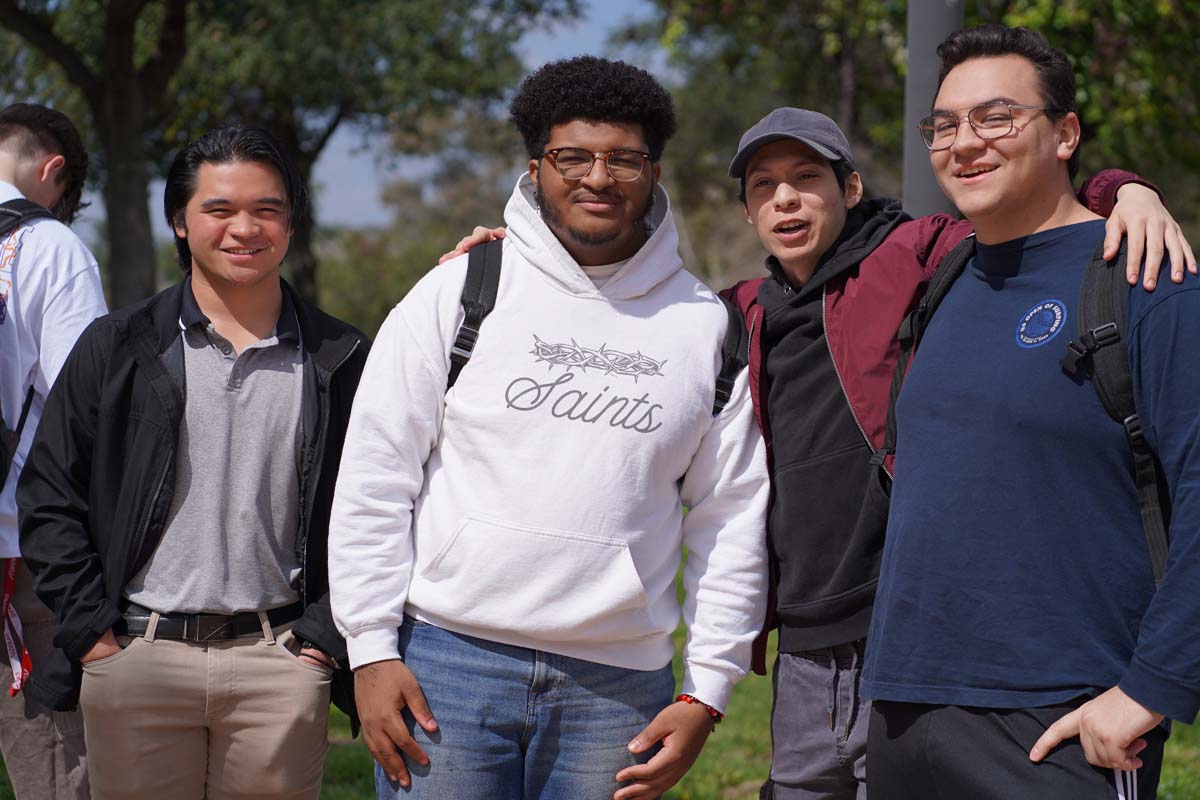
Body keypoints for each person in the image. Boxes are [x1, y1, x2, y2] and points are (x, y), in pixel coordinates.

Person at [444, 108, 1190, 799]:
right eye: (764, 188)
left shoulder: (916, 252)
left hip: (899, 627)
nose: (787, 202)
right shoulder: (736, 314)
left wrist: (1125, 190)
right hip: (804, 635)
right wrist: (527, 254)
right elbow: (626, 310)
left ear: (851, 187)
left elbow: (1026, 206)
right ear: (747, 210)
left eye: (807, 180)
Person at [328, 56, 768, 800]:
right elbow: (375, 476)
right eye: (573, 156)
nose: (599, 176)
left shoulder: (706, 329)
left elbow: (730, 521)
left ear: (653, 172)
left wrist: (707, 691)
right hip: (448, 668)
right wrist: (369, 651)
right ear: (537, 169)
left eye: (623, 158)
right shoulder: (462, 291)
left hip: (618, 690)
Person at [861, 24, 1200, 798]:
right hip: (905, 714)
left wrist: (1151, 689)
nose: (964, 143)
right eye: (944, 125)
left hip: (1060, 723)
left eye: (997, 117)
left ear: (1065, 133)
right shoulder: (942, 277)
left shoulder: (1149, 281)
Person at [17, 125, 370, 799]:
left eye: (266, 209)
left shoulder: (339, 356)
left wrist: (321, 641)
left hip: (281, 660)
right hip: (137, 659)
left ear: (291, 223)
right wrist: (94, 636)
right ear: (180, 222)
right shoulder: (117, 347)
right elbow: (49, 496)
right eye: (220, 210)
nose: (246, 228)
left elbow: (376, 509)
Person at [0, 102, 105, 800]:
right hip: (21, 546)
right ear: (52, 171)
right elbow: (84, 406)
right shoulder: (50, 248)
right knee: (53, 767)